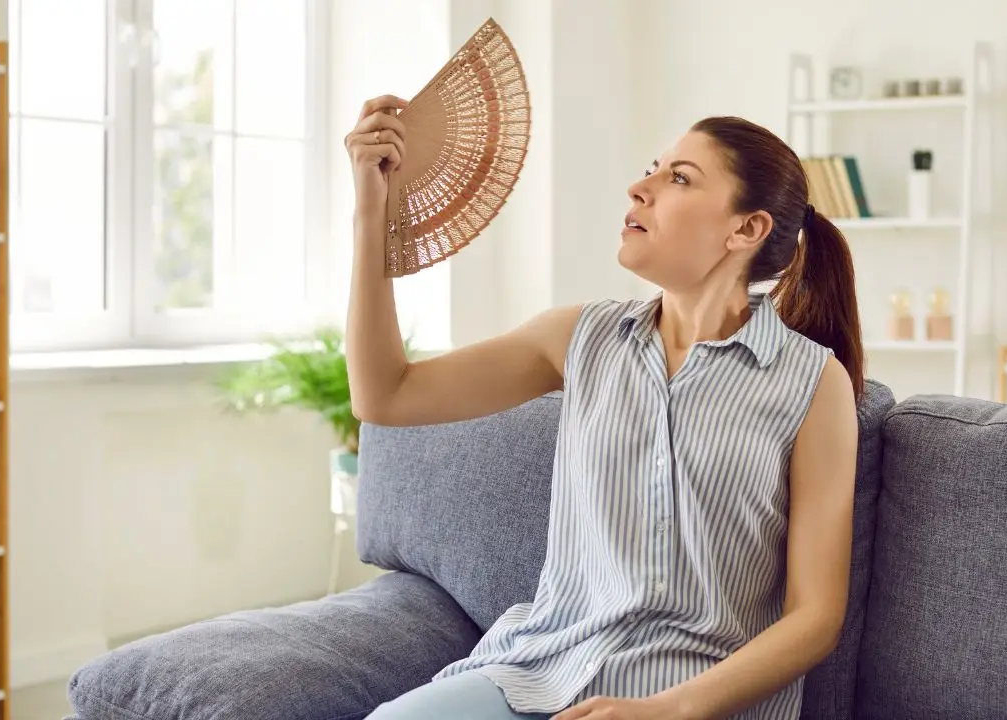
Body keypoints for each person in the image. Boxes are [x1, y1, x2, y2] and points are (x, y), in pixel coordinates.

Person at [345, 94, 862, 720]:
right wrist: (373, 208)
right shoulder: (577, 338)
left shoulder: (812, 383)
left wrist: (672, 709)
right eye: (654, 167)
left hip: (692, 697)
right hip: (537, 670)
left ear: (746, 229)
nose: (640, 187)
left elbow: (815, 618)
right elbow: (384, 394)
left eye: (679, 178)